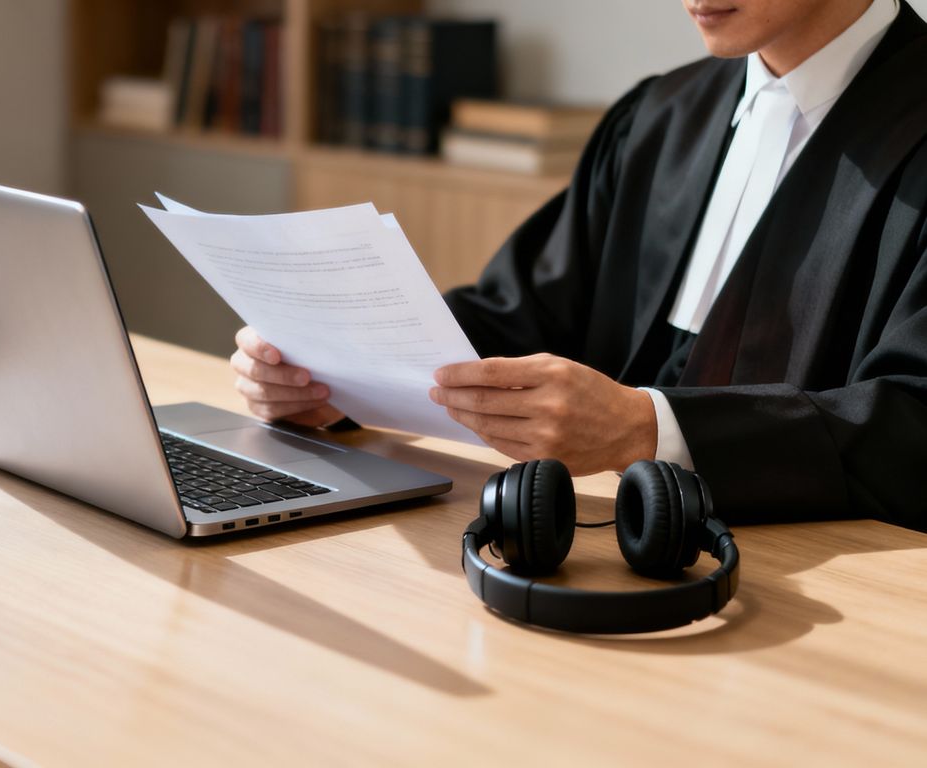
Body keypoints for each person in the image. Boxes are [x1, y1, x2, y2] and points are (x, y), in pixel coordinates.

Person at [229, 0, 927, 530]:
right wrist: (333, 373)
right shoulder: (660, 115)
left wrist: (644, 428)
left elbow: (911, 423)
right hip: (597, 553)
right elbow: (523, 313)